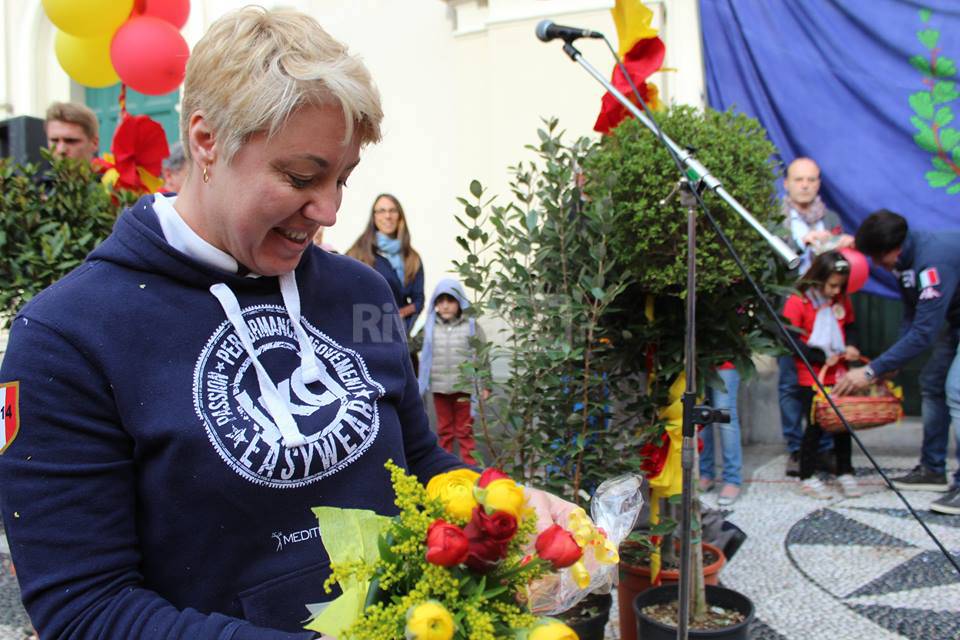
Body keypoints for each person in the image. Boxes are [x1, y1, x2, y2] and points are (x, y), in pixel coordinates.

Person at [0, 9, 573, 638]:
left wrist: (502, 508)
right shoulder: (65, 338)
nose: (328, 209)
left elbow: (416, 461)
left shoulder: (364, 291)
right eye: (300, 176)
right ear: (207, 140)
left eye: (343, 178)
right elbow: (86, 611)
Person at [835, 210, 960, 515]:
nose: (877, 266)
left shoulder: (932, 261)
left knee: (956, 389)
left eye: (878, 259)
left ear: (894, 250)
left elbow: (925, 332)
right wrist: (893, 360)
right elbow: (911, 314)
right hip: (955, 321)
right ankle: (932, 469)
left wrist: (871, 369)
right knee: (932, 382)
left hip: (949, 322)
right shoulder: (905, 261)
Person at [778, 157, 853, 475]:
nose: (805, 185)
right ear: (787, 184)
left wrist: (842, 248)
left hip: (828, 314)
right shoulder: (776, 221)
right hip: (794, 311)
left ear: (819, 183)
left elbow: (842, 268)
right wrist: (800, 244)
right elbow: (772, 266)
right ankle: (797, 449)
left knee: (829, 382)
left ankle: (824, 449)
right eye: (799, 179)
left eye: (811, 179)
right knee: (791, 384)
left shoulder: (831, 218)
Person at [782, 251, 862, 498]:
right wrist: (819, 356)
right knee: (815, 426)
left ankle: (845, 471)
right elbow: (789, 340)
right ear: (818, 278)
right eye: (832, 285)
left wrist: (850, 347)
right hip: (812, 375)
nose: (836, 291)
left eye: (840, 286)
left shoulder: (841, 301)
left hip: (839, 374)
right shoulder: (799, 301)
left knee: (843, 425)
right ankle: (807, 476)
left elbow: (850, 327)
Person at [417, 279, 487, 465]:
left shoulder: (471, 326)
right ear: (435, 304)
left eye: (451, 300)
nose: (446, 305)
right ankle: (444, 470)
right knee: (444, 432)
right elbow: (414, 349)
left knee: (465, 432)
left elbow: (482, 356)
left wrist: (485, 385)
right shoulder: (429, 328)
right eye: (441, 301)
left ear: (460, 302)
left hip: (464, 389)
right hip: (440, 390)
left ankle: (471, 472)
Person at [346, 193, 425, 336]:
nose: (387, 216)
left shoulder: (412, 258)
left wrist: (399, 315)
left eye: (393, 210)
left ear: (400, 215)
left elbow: (418, 300)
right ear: (374, 216)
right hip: (362, 333)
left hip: (397, 333)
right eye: (381, 211)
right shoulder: (358, 252)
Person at [699, 363, 743, 506]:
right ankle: (705, 473)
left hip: (725, 360)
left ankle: (732, 479)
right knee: (701, 416)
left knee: (725, 416)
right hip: (698, 361)